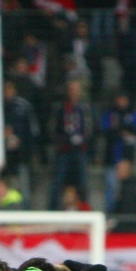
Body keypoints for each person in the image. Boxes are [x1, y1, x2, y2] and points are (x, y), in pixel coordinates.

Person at [50, 80, 92, 210]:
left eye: (76, 89)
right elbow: (52, 127)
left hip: (80, 149)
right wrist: (61, 141)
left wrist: (84, 140)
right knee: (58, 182)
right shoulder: (60, 107)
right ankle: (53, 212)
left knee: (83, 182)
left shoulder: (84, 107)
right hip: (64, 150)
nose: (74, 92)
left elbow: (90, 126)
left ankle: (84, 210)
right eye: (71, 89)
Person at [99, 92, 136, 211]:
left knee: (130, 190)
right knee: (111, 188)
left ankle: (129, 214)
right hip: (112, 160)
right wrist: (122, 130)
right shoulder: (109, 114)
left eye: (124, 99)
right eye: (120, 99)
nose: (122, 102)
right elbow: (105, 131)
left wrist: (120, 129)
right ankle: (110, 215)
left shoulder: (134, 114)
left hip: (130, 161)